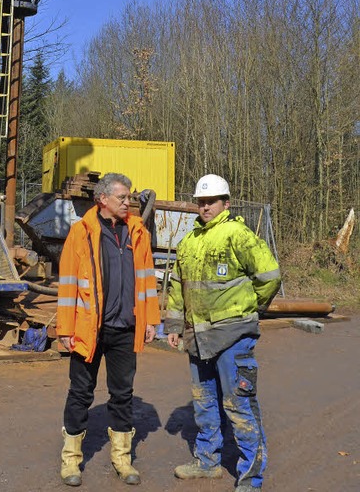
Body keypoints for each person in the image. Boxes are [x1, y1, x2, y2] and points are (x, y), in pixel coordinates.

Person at [164, 174, 281, 490]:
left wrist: (247, 310)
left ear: (225, 203)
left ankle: (251, 476)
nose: (205, 207)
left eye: (211, 202)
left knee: (239, 404)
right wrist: (174, 326)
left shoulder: (238, 235)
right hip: (198, 337)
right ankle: (207, 462)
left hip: (233, 337)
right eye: (201, 202)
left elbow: (270, 276)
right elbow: (177, 288)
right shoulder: (188, 242)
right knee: (204, 403)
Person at [57, 172, 160, 486]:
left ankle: (122, 459)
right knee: (80, 394)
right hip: (89, 329)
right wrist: (65, 327)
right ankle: (71, 461)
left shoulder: (137, 233)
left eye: (129, 197)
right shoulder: (81, 232)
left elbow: (146, 282)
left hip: (125, 329)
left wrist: (151, 320)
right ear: (102, 199)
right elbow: (68, 284)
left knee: (123, 395)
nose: (128, 202)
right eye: (122, 197)